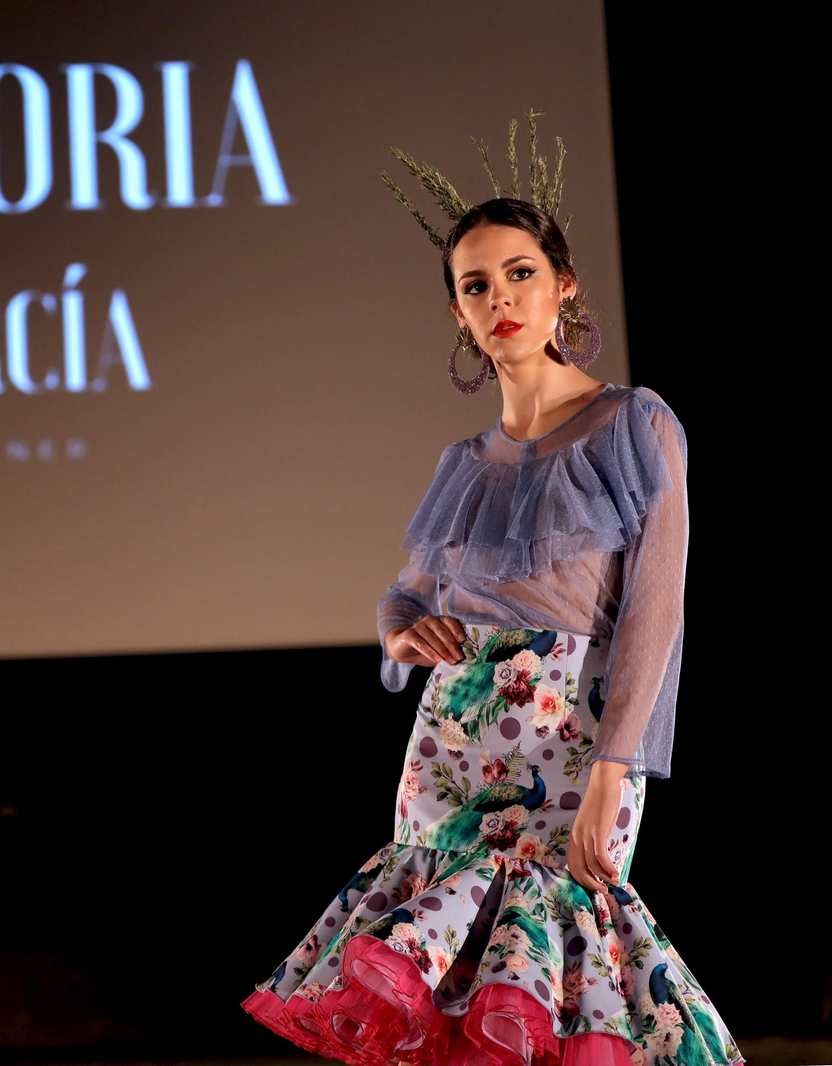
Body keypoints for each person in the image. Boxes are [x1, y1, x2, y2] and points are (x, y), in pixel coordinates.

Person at [240, 115, 742, 1066]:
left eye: (520, 273)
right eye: (476, 285)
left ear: (564, 287)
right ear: (459, 317)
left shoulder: (633, 424)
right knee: (454, 1004)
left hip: (574, 738)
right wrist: (400, 636)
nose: (501, 297)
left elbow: (656, 614)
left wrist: (612, 771)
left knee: (558, 971)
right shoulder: (463, 463)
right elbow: (404, 595)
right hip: (452, 746)